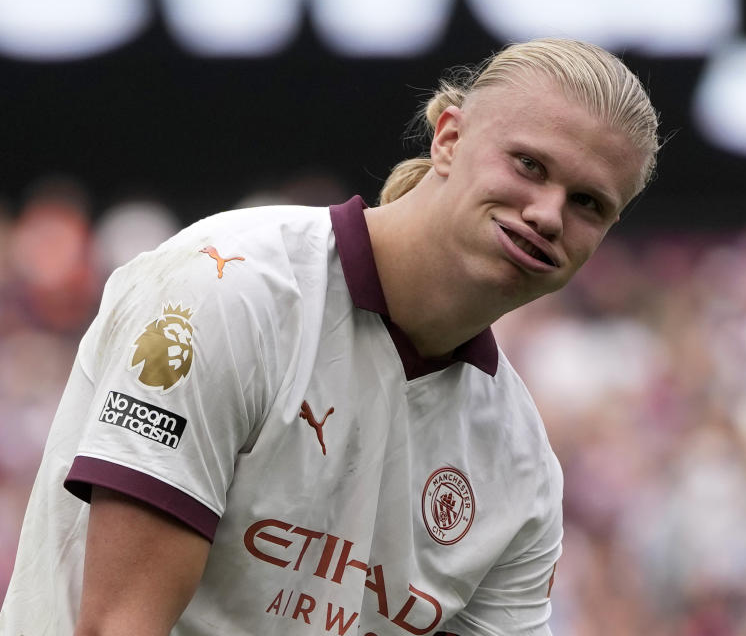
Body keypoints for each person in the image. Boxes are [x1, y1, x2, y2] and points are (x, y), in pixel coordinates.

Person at [0, 37, 659, 635]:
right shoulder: (228, 291)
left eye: (589, 204)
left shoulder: (522, 467)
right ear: (449, 140)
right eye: (529, 166)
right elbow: (117, 626)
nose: (548, 214)